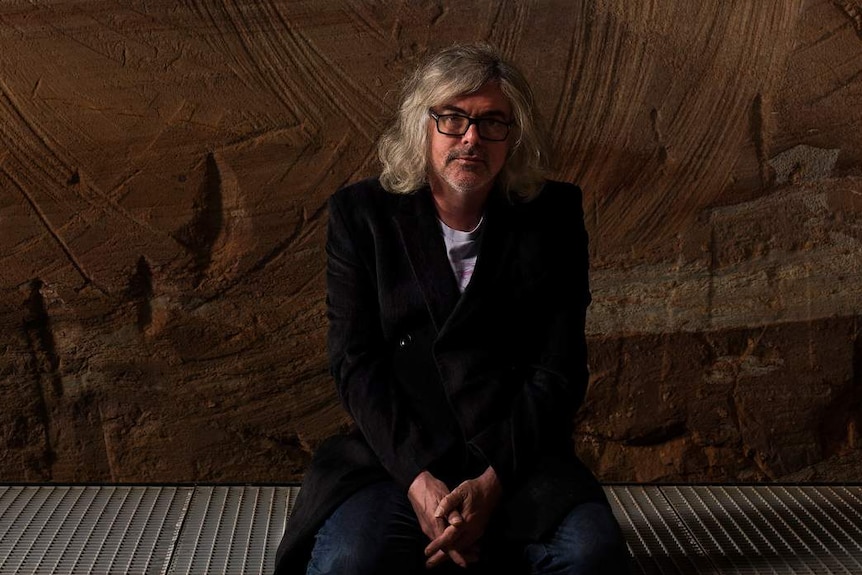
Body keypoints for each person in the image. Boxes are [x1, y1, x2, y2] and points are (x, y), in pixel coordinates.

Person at [272, 42, 632, 575]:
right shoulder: (362, 215)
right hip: (397, 460)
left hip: (515, 460)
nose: (471, 138)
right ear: (423, 126)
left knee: (592, 556)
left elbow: (558, 371)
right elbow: (355, 364)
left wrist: (492, 483)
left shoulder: (552, 217)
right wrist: (419, 481)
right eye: (453, 119)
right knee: (347, 564)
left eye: (492, 123)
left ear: (515, 135)